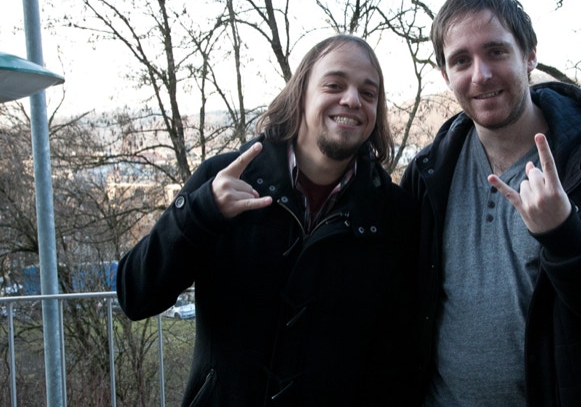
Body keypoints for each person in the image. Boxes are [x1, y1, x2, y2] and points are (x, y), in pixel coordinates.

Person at [117, 34, 419, 406]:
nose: (352, 100)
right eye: (334, 85)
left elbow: (396, 360)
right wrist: (200, 212)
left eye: (368, 93)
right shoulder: (225, 181)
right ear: (301, 93)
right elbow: (136, 295)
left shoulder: (393, 215)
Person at [401, 0, 581, 406]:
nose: (481, 74)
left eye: (496, 52)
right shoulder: (429, 173)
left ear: (529, 55)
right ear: (446, 75)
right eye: (461, 60)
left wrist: (564, 234)